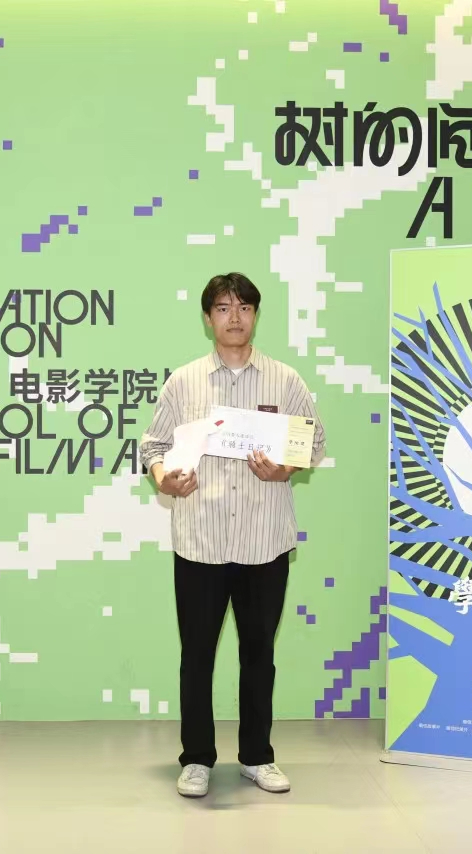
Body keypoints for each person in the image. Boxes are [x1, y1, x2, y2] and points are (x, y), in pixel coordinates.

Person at [138, 272, 327, 798]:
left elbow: (311, 443)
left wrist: (284, 469)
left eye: (244, 307)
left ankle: (257, 756)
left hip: (264, 542)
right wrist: (165, 479)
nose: (234, 317)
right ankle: (197, 758)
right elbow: (153, 447)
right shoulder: (184, 382)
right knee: (197, 654)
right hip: (200, 540)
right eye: (223, 308)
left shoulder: (285, 381)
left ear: (256, 315)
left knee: (259, 653)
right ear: (208, 319)